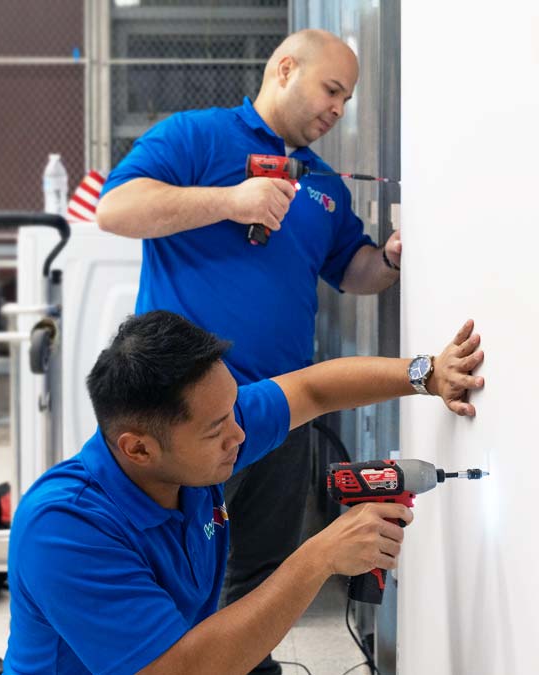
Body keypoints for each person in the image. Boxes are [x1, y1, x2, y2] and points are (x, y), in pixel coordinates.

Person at [96, 29, 405, 673]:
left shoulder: (324, 185)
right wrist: (231, 201)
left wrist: (393, 260)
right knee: (172, 570)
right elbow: (117, 209)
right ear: (285, 69)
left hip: (278, 413)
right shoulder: (195, 137)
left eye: (347, 99)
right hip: (183, 414)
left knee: (262, 573)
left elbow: (355, 271)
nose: (338, 110)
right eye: (331, 90)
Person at [4, 311, 485, 674]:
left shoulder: (202, 437)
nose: (239, 433)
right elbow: (177, 671)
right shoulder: (64, 529)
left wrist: (426, 373)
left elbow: (312, 390)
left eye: (234, 407)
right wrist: (319, 557)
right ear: (139, 449)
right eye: (217, 429)